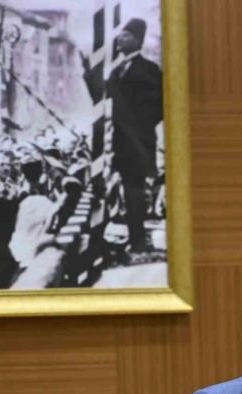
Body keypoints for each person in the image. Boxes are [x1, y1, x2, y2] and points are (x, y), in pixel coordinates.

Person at [82, 18, 163, 253]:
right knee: (128, 193)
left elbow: (160, 105)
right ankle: (134, 238)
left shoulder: (149, 70)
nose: (120, 38)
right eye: (120, 34)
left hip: (138, 142)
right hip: (121, 143)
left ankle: (137, 241)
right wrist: (88, 73)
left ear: (137, 40)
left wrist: (139, 126)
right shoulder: (117, 72)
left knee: (134, 191)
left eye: (126, 35)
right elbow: (100, 96)